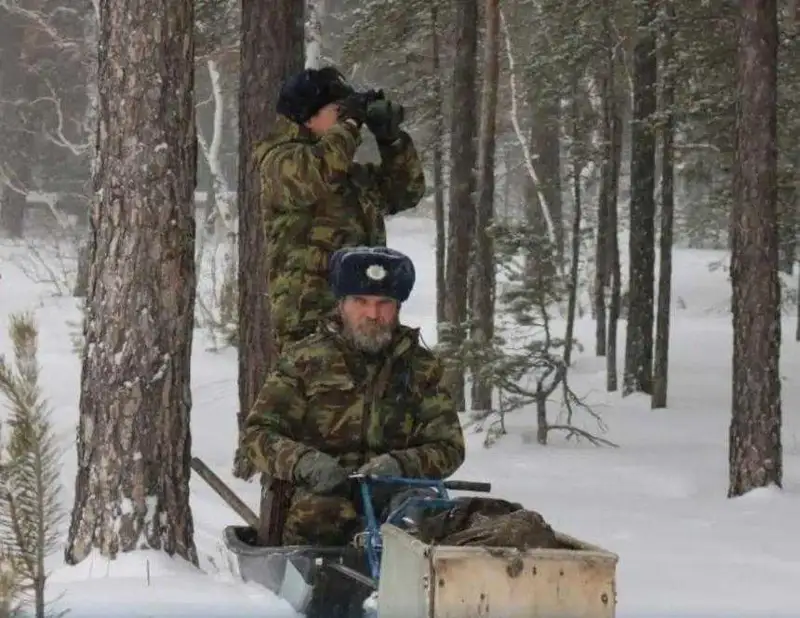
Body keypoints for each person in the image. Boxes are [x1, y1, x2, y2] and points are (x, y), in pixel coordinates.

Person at [241, 246, 465, 546]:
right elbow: (257, 435)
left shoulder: (422, 368)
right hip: (322, 495)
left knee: (422, 519)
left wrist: (401, 464)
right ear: (342, 304)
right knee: (320, 512)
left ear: (397, 307)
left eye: (384, 303)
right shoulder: (304, 361)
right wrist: (306, 463)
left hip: (396, 492)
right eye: (361, 301)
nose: (373, 314)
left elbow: (449, 446)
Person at [254, 66, 426, 354]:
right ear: (309, 117)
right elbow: (318, 172)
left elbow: (406, 191)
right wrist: (351, 123)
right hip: (310, 324)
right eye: (338, 109)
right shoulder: (280, 164)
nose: (346, 118)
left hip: (366, 320)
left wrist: (391, 139)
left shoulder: (349, 177)